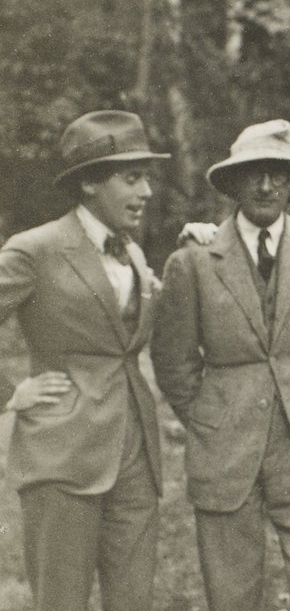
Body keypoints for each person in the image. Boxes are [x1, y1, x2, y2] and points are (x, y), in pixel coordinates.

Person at [150, 119, 290, 611]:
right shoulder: (194, 261)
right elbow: (173, 362)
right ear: (233, 183)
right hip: (225, 449)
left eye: (278, 174)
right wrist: (210, 415)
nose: (266, 186)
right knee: (232, 594)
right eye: (254, 174)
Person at [0, 110, 169, 611]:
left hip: (135, 452)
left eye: (147, 178)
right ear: (91, 182)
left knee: (134, 601)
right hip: (61, 454)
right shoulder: (35, 250)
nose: (146, 192)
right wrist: (11, 395)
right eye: (131, 177)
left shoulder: (133, 253)